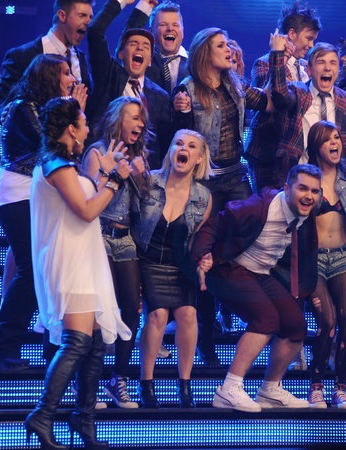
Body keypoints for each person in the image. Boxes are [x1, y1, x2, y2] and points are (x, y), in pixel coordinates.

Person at [26, 96, 131, 450]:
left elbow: (85, 201)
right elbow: (86, 211)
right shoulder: (56, 165)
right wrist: (114, 180)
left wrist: (103, 174)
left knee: (96, 344)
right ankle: (42, 415)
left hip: (84, 259)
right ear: (71, 129)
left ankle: (84, 419)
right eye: (84, 124)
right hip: (69, 261)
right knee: (77, 342)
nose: (88, 130)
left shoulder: (65, 165)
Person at [172, 27, 273, 365]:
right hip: (205, 181)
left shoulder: (236, 85)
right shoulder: (187, 90)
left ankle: (234, 309)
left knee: (246, 243)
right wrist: (180, 111)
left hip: (236, 174)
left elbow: (271, 102)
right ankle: (206, 335)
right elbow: (180, 138)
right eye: (221, 45)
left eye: (229, 43)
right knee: (202, 252)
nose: (229, 49)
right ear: (205, 52)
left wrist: (277, 58)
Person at [192, 164, 322, 412]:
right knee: (266, 318)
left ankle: (269, 390)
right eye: (303, 189)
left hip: (260, 273)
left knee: (296, 326)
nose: (309, 196)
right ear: (287, 189)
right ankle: (229, 389)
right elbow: (213, 225)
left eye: (315, 191)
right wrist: (202, 257)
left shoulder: (306, 212)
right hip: (229, 267)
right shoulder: (259, 207)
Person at [0, 54, 86, 371]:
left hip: (37, 193)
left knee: (47, 268)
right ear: (48, 76)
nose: (72, 78)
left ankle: (51, 347)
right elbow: (50, 145)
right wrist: (72, 111)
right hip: (16, 192)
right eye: (65, 73)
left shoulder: (46, 109)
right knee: (31, 269)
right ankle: (4, 348)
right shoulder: (23, 107)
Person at [132, 129, 212, 408]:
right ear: (170, 150)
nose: (183, 148)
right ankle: (146, 382)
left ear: (199, 158)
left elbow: (199, 240)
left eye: (191, 146)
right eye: (178, 143)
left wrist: (204, 259)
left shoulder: (203, 196)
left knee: (189, 314)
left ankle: (185, 385)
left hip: (180, 265)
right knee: (158, 315)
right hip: (147, 261)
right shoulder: (149, 181)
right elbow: (130, 221)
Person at [82, 96, 150, 409]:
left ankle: (118, 379)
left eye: (141, 119)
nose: (140, 124)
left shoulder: (139, 156)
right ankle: (88, 384)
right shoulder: (97, 152)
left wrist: (140, 176)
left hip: (125, 240)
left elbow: (143, 205)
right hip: (99, 235)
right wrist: (116, 174)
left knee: (131, 310)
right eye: (133, 117)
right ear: (117, 119)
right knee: (99, 312)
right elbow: (91, 200)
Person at [305, 121, 346, 409]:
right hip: (313, 259)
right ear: (317, 147)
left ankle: (341, 388)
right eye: (328, 139)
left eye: (337, 137)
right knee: (327, 321)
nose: (334, 143)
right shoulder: (306, 178)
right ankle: (316, 387)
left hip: (344, 256)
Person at [245, 0, 322, 191]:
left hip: (297, 152)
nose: (311, 45)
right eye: (309, 38)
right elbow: (267, 101)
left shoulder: (305, 67)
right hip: (268, 153)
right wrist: (279, 58)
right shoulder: (263, 63)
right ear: (292, 34)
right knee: (268, 204)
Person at [87, 0, 172, 169]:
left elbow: (163, 143)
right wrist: (121, 2)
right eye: (133, 44)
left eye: (146, 46)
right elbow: (95, 31)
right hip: (103, 165)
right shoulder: (108, 76)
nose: (140, 48)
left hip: (142, 173)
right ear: (120, 54)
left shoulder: (160, 96)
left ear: (150, 60)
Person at [0, 0, 93, 124]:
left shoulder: (81, 58)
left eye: (90, 17)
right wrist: (3, 114)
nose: (88, 22)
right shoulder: (23, 55)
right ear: (62, 15)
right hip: (35, 134)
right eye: (82, 15)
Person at [269, 39, 346, 187]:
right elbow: (279, 96)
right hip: (297, 179)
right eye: (321, 62)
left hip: (334, 182)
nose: (327, 68)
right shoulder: (298, 93)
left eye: (333, 63)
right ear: (309, 69)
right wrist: (278, 54)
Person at [125, 0, 190, 96]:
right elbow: (128, 41)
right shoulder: (142, 60)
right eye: (163, 24)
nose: (170, 28)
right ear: (151, 31)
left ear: (182, 31)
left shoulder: (195, 63)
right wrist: (143, 8)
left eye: (175, 25)